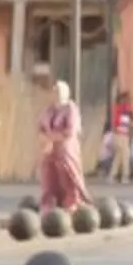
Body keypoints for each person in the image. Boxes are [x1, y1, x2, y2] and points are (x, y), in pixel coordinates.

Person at [37, 79, 88, 211]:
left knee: (67, 174)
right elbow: (41, 127)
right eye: (54, 91)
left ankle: (72, 201)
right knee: (49, 175)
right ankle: (50, 202)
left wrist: (53, 138)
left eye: (59, 91)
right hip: (49, 149)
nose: (56, 93)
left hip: (65, 149)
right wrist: (45, 139)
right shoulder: (49, 109)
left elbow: (70, 131)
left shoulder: (71, 108)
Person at [104, 94, 133, 181]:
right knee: (125, 154)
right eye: (127, 99)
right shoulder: (122, 109)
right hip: (121, 134)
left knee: (119, 155)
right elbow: (121, 122)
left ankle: (112, 175)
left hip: (122, 134)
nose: (129, 101)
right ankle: (125, 175)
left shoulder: (121, 109)